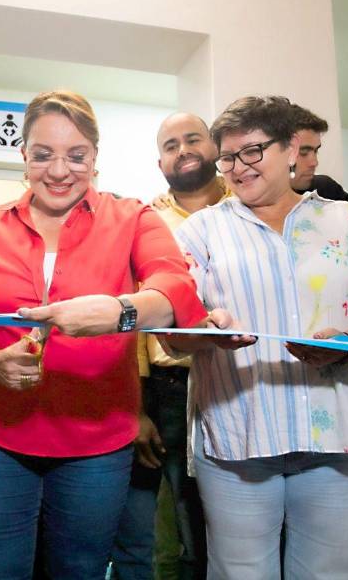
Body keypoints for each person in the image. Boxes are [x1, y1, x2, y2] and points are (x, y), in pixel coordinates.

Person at [0, 90, 208, 580]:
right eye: (43, 155)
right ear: (23, 157)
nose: (59, 170)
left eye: (76, 156)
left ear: (95, 158)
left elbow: (174, 288)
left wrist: (121, 313)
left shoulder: (133, 218)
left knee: (79, 570)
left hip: (97, 438)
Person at [166, 95, 348, 579]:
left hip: (339, 436)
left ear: (291, 149)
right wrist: (208, 333)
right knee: (238, 572)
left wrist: (346, 341)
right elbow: (175, 336)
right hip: (237, 433)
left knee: (331, 572)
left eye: (252, 151)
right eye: (227, 158)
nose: (237, 168)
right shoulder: (200, 232)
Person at [111, 112, 222, 580]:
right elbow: (132, 319)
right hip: (172, 386)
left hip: (246, 375)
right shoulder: (147, 222)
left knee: (238, 522)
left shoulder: (247, 206)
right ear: (161, 163)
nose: (183, 150)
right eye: (171, 145)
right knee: (183, 522)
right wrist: (137, 406)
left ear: (214, 147)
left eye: (193, 139)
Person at [289, 102, 348, 201]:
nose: (315, 163)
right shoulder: (257, 202)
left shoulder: (327, 190)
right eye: (304, 152)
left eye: (316, 151)